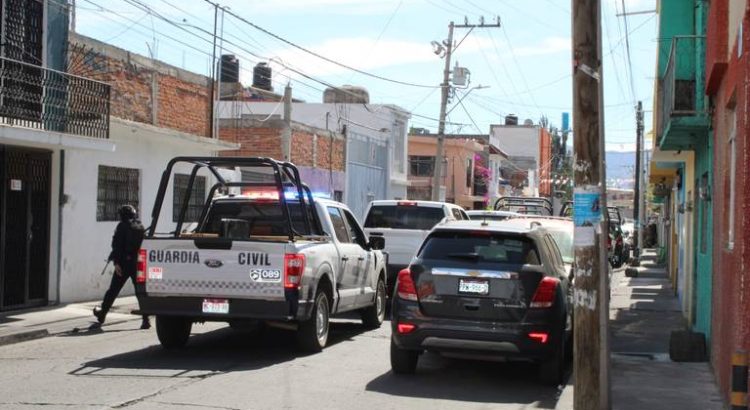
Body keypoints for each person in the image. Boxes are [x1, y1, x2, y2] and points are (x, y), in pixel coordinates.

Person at [93, 204, 150, 329]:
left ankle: (102, 314)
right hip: (139, 263)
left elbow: (117, 246)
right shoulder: (140, 226)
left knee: (113, 290)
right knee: (140, 292)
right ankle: (146, 320)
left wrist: (116, 263)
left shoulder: (122, 226)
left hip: (124, 263)